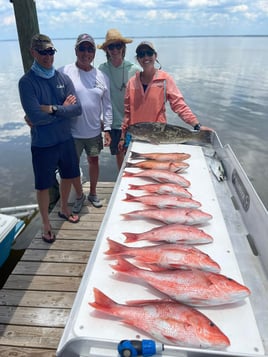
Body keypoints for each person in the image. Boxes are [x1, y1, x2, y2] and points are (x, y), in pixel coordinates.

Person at [18, 34, 83, 243]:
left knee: (68, 175)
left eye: (50, 51)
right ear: (33, 53)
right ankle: (46, 224)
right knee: (43, 185)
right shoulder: (26, 82)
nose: (47, 56)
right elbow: (36, 117)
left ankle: (64, 208)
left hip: (65, 139)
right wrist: (63, 109)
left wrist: (53, 109)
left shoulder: (63, 78)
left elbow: (77, 109)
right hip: (43, 144)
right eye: (42, 52)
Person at [119, 41, 212, 150]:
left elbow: (179, 105)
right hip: (136, 137)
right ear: (137, 59)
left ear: (155, 56)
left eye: (149, 53)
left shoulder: (164, 79)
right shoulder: (132, 82)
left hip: (160, 138)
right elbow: (127, 113)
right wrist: (122, 136)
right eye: (141, 54)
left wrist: (197, 126)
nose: (145, 57)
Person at [59, 34, 112, 209]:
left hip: (95, 131)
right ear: (76, 50)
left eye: (90, 49)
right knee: (72, 166)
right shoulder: (63, 71)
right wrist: (35, 112)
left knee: (94, 161)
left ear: (94, 53)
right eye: (82, 48)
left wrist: (108, 128)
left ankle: (93, 193)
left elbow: (108, 105)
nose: (86, 53)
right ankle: (80, 194)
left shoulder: (102, 76)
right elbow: (47, 89)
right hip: (72, 132)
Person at [98, 29, 140, 169]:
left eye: (118, 46)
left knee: (136, 155)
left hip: (132, 122)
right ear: (106, 50)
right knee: (119, 155)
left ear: (123, 47)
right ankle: (121, 181)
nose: (115, 49)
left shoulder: (134, 69)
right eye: (111, 46)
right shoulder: (101, 70)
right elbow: (96, 97)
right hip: (113, 122)